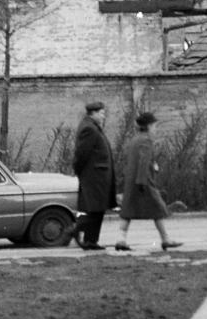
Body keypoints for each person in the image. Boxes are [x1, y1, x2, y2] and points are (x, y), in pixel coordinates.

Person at [115, 110, 180, 253]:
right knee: (158, 209)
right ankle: (166, 240)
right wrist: (143, 181)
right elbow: (143, 162)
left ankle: (121, 240)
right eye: (155, 126)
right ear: (148, 126)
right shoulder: (146, 141)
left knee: (128, 211)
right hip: (143, 181)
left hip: (131, 181)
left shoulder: (134, 140)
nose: (155, 129)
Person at [70, 99, 116, 251]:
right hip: (94, 176)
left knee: (98, 209)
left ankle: (90, 240)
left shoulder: (92, 126)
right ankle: (75, 230)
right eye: (102, 113)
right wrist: (79, 171)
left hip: (97, 176)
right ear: (94, 113)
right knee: (95, 209)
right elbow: (82, 154)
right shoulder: (89, 128)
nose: (104, 116)